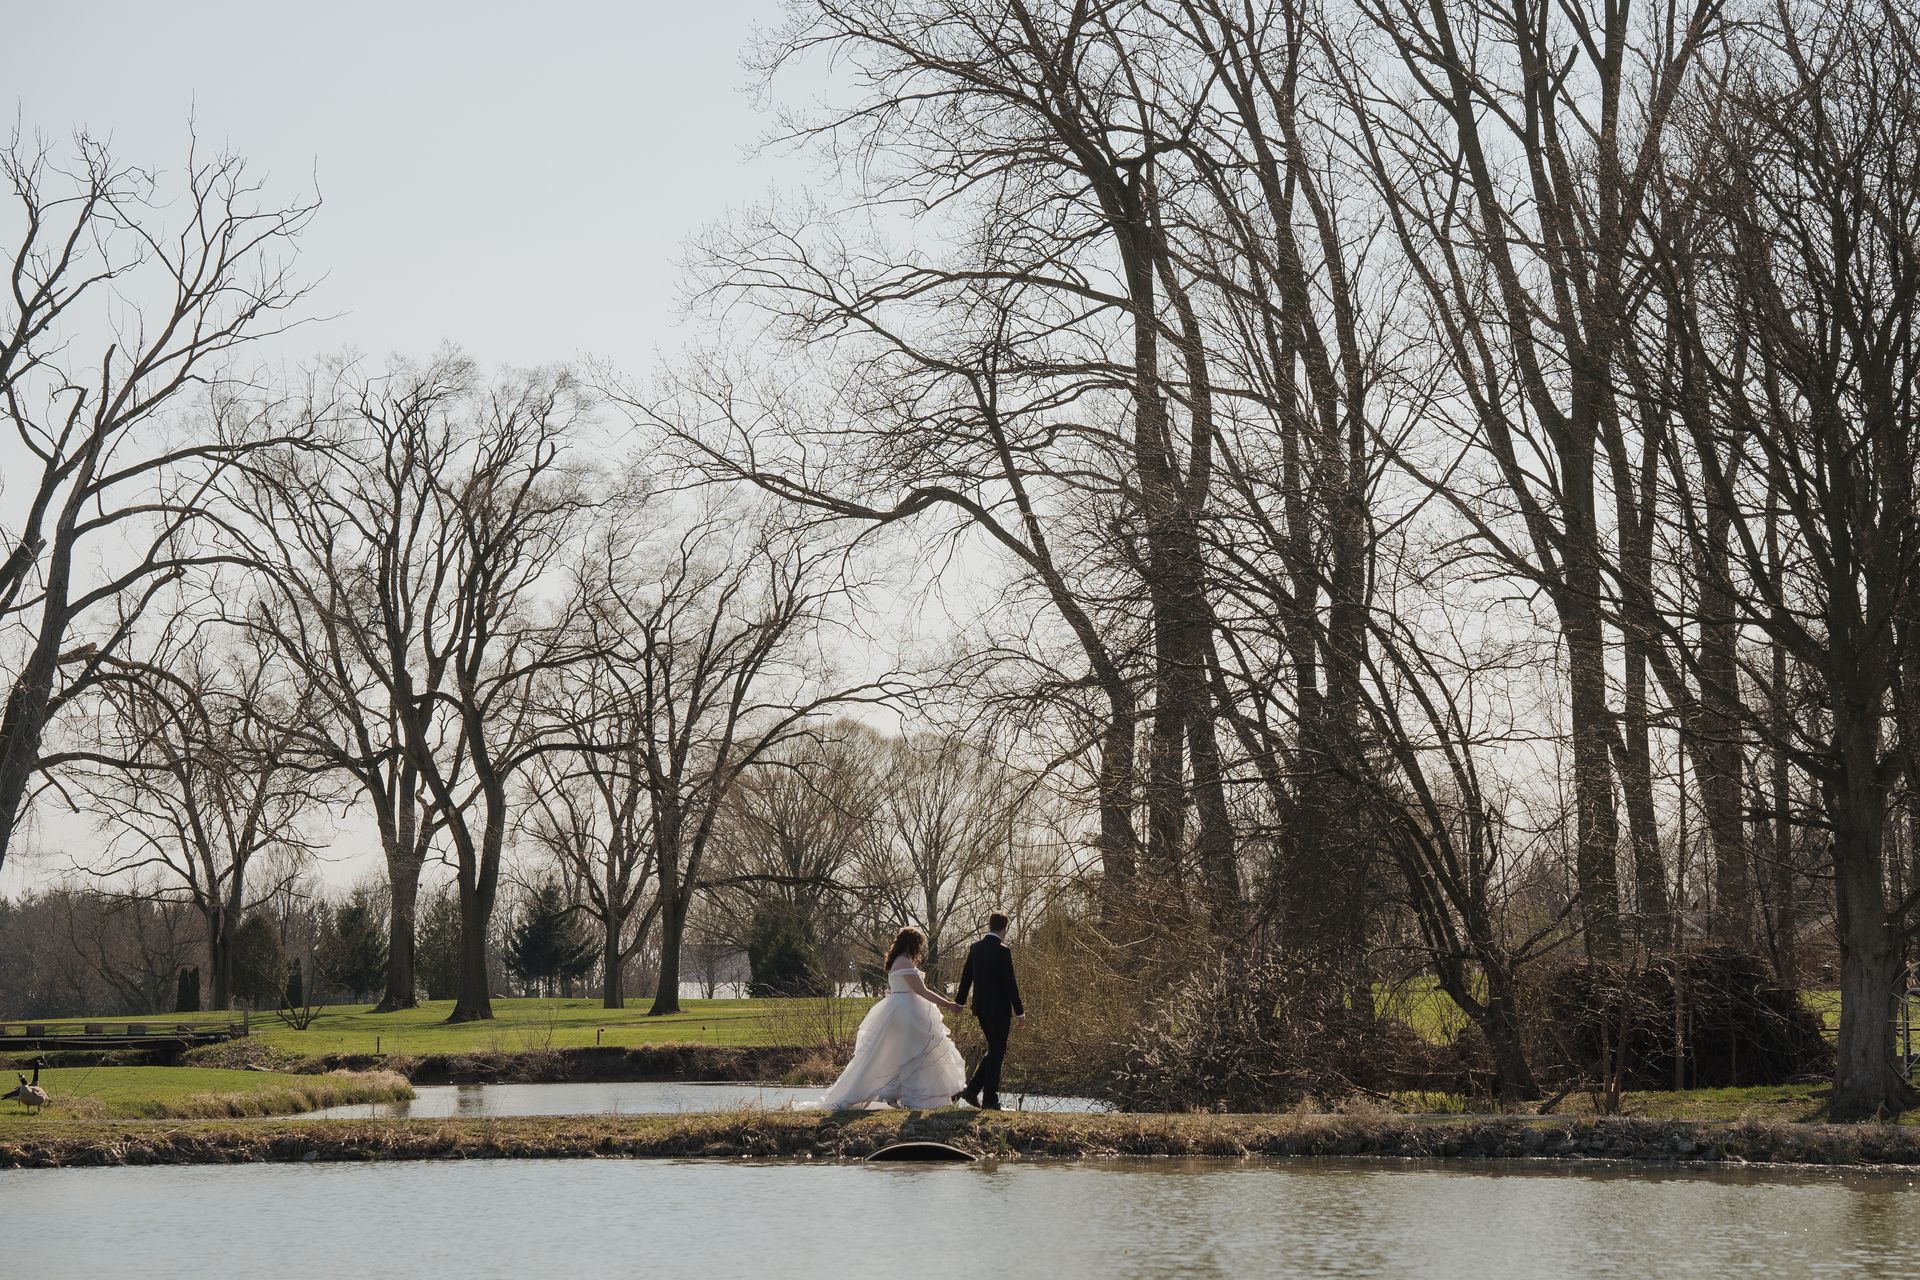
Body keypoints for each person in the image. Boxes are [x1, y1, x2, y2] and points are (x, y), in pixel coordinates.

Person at [815, 926, 967, 1110]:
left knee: (910, 1054)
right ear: (912, 944)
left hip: (903, 1010)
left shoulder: (899, 960)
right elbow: (921, 990)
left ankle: (899, 1094)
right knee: (913, 1054)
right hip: (907, 1012)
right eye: (919, 945)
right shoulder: (904, 962)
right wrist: (950, 1005)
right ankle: (908, 1097)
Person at [952, 910, 1024, 1110]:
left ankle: (973, 1090)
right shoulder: (1003, 951)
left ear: (990, 925)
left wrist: (960, 1003)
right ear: (1004, 928)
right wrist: (1020, 1012)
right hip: (999, 1011)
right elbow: (1010, 984)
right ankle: (990, 1100)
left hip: (981, 1009)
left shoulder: (975, 948)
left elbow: (966, 977)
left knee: (995, 1050)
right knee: (997, 1051)